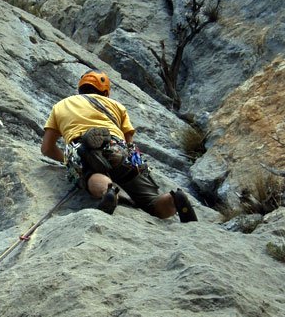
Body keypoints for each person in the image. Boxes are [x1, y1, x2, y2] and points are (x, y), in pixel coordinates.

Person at [41, 70, 197, 221]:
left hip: (81, 146)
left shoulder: (61, 105)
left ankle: (108, 192)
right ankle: (173, 198)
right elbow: (130, 143)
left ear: (80, 89)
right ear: (105, 92)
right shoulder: (116, 105)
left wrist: (68, 161)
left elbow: (47, 148)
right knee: (151, 202)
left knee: (89, 173)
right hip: (117, 147)